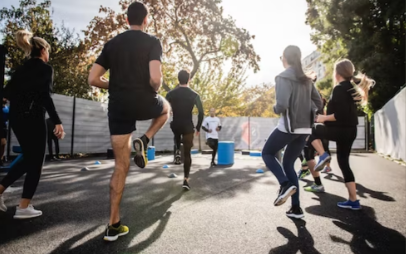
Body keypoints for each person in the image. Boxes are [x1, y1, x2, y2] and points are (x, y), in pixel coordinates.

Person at [88, 1, 170, 242]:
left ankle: (113, 224)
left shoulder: (112, 44)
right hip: (144, 101)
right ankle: (145, 139)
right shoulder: (152, 42)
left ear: (126, 20)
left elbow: (93, 79)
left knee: (120, 167)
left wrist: (113, 84)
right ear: (146, 21)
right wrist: (155, 86)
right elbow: (155, 79)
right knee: (166, 109)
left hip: (118, 107)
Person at [0, 30, 64, 219]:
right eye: (48, 51)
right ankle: (23, 206)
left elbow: (7, 93)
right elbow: (45, 96)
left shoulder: (21, 69)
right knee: (36, 162)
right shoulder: (45, 68)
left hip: (17, 119)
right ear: (43, 50)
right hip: (33, 117)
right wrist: (57, 121)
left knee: (29, 157)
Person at [261, 45, 322, 219]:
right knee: (288, 164)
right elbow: (319, 104)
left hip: (289, 127)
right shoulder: (307, 80)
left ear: (285, 59)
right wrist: (308, 115)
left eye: (281, 58)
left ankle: (285, 183)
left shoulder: (282, 77)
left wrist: (274, 108)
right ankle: (296, 209)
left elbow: (281, 105)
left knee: (267, 153)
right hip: (305, 129)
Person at [309, 59, 375, 210]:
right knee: (344, 163)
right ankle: (353, 200)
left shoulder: (339, 88)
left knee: (310, 130)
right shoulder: (351, 88)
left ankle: (323, 155)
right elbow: (344, 113)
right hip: (350, 130)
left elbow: (340, 115)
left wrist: (323, 118)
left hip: (341, 130)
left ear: (337, 73)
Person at [166, 70, 204, 190]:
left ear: (178, 79)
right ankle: (186, 180)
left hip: (176, 124)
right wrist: (198, 127)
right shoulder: (195, 95)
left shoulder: (171, 94)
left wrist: (170, 111)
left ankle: (177, 149)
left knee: (176, 130)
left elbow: (164, 107)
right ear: (189, 79)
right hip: (188, 127)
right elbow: (201, 112)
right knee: (187, 154)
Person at [0, 99, 9, 166]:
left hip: (4, 127)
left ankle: (1, 159)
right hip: (2, 127)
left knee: (3, 144)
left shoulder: (7, 108)